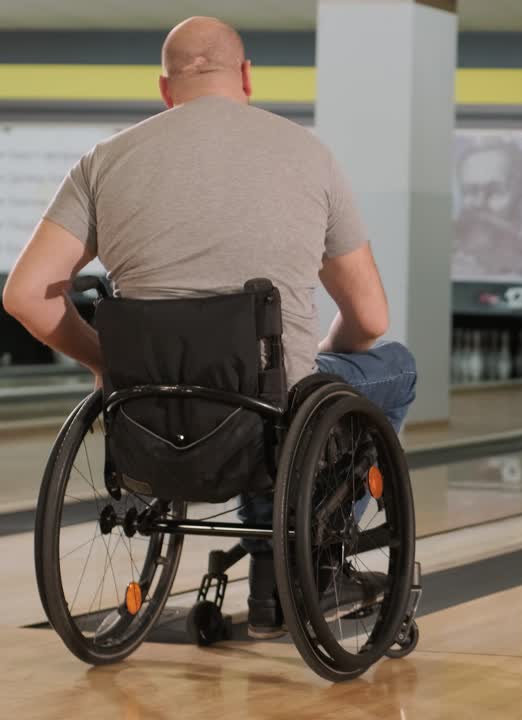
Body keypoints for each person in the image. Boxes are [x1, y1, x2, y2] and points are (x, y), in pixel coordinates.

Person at [1, 17, 417, 639]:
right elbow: (371, 319)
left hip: (150, 409)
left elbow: (25, 297)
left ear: (165, 89)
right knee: (395, 367)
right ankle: (312, 560)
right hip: (277, 408)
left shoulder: (105, 160)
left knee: (274, 405)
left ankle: (277, 582)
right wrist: (325, 355)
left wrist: (106, 366)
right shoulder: (309, 155)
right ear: (246, 76)